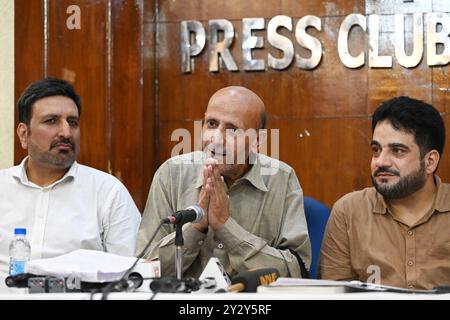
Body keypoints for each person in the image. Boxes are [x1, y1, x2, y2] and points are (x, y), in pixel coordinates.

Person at [136, 86, 311, 279]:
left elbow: (296, 272)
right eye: (211, 124)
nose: (216, 139)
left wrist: (226, 226)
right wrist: (195, 227)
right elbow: (143, 272)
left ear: (257, 141)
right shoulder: (172, 173)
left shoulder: (282, 178)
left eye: (233, 130)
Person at [0, 78, 141, 291]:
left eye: (72, 122)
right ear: (23, 134)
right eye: (51, 121)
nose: (66, 132)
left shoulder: (108, 192)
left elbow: (132, 277)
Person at [319, 96, 450, 290]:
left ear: (430, 161)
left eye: (397, 151)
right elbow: (333, 293)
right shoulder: (349, 211)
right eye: (376, 150)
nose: (380, 162)